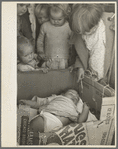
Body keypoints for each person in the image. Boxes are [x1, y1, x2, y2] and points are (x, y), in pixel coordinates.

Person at [69, 4, 115, 88]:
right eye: (81, 32)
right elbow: (81, 54)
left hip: (108, 74)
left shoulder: (106, 29)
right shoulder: (82, 33)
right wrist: (81, 67)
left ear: (95, 24)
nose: (83, 34)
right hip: (92, 73)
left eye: (85, 31)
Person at [19, 89, 89, 133]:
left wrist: (86, 109)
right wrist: (27, 102)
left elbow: (81, 121)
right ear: (63, 94)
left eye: (77, 97)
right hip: (49, 117)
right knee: (34, 125)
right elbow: (40, 102)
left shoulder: (76, 108)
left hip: (61, 128)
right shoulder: (57, 97)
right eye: (71, 93)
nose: (74, 96)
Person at [37, 4, 72, 69]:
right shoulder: (45, 26)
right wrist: (40, 52)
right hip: (49, 59)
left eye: (59, 19)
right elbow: (40, 41)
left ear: (65, 16)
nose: (56, 21)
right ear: (49, 15)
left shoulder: (68, 27)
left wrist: (71, 56)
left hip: (64, 59)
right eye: (52, 18)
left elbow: (72, 42)